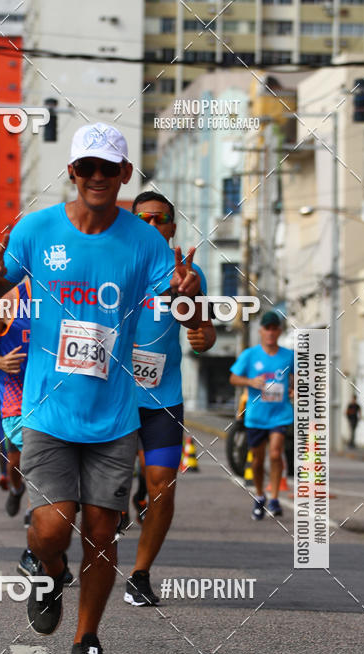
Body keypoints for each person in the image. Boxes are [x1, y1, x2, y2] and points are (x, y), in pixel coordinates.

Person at [0, 122, 203, 654]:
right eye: (87, 168)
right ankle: (49, 574)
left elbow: (171, 315)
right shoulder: (35, 229)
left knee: (101, 532)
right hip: (49, 410)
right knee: (51, 529)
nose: (98, 177)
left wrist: (188, 298)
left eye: (109, 169)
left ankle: (87, 638)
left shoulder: (144, 243)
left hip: (116, 416)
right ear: (72, 172)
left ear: (124, 175)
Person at [124, 191, 215, 607]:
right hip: (113, 398)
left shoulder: (189, 274)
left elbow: (203, 336)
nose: (151, 225)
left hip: (163, 398)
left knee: (163, 487)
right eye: (142, 218)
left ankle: (140, 574)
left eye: (159, 219)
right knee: (103, 493)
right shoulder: (112, 265)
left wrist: (199, 327)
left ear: (172, 228)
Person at [0, 277, 74, 583]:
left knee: (51, 478)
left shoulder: (72, 293)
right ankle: (37, 549)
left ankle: (46, 550)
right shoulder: (14, 299)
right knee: (30, 471)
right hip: (19, 405)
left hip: (61, 404)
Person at [229, 310, 294, 520]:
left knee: (275, 453)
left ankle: (274, 499)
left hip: (280, 414)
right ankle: (259, 496)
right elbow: (233, 378)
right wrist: (250, 382)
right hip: (256, 416)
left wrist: (294, 387)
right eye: (267, 328)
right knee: (257, 461)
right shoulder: (250, 355)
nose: (271, 332)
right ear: (261, 331)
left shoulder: (289, 356)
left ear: (279, 331)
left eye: (275, 328)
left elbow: (299, 377)